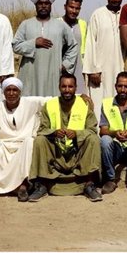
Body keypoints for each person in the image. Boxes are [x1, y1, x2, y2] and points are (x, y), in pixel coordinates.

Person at [27, 73, 102, 202]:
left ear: (76, 88)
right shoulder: (49, 105)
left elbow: (92, 129)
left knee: (93, 139)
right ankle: (43, 185)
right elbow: (42, 129)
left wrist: (77, 133)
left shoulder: (84, 105)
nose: (67, 90)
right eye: (64, 86)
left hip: (77, 152)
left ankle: (89, 184)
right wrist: (54, 132)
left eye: (70, 87)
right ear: (59, 87)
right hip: (56, 151)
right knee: (40, 140)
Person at [0, 78, 50, 201]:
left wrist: (80, 96)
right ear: (3, 92)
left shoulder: (31, 102)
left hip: (23, 143)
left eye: (15, 90)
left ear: (20, 92)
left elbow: (54, 100)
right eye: (8, 90)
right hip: (4, 143)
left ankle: (23, 185)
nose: (11, 93)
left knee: (30, 142)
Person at [13, 0, 79, 97]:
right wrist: (33, 43)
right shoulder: (26, 24)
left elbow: (73, 45)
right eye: (40, 3)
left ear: (51, 5)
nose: (43, 6)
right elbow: (15, 45)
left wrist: (65, 65)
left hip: (53, 72)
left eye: (46, 3)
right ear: (35, 5)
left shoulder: (60, 25)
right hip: (30, 72)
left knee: (52, 103)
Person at [83, 0, 125, 116]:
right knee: (99, 100)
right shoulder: (98, 14)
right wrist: (93, 69)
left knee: (119, 99)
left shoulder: (125, 13)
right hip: (100, 69)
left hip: (120, 65)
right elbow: (90, 42)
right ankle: (98, 132)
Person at [60, 0, 87, 94]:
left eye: (77, 8)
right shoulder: (57, 23)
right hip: (60, 68)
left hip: (78, 67)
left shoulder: (83, 24)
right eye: (71, 7)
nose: (74, 11)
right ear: (65, 7)